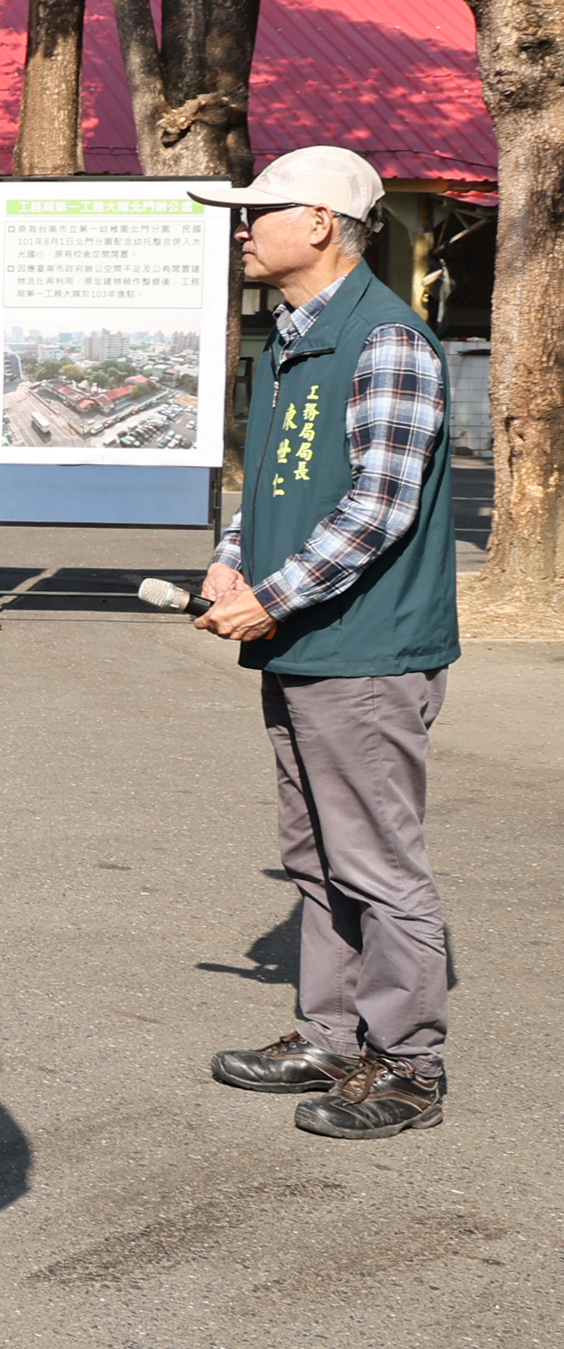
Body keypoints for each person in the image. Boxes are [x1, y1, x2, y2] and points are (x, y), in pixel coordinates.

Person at [187, 146, 464, 1139]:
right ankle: (330, 1035)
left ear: (315, 222)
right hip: (310, 642)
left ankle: (406, 1063)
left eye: (255, 211)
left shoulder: (385, 340)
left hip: (364, 647)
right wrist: (230, 560)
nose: (239, 227)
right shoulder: (291, 340)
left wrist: (271, 597)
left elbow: (375, 509)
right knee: (314, 854)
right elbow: (265, 484)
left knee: (378, 863)